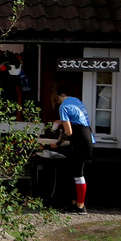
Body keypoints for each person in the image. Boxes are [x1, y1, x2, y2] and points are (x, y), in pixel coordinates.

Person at [50, 84, 94, 213]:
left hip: (80, 139)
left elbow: (68, 131)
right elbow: (76, 119)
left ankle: (81, 206)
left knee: (78, 173)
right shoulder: (75, 100)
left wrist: (57, 144)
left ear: (56, 95)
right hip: (87, 136)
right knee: (76, 172)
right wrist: (60, 121)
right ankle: (77, 202)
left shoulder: (63, 107)